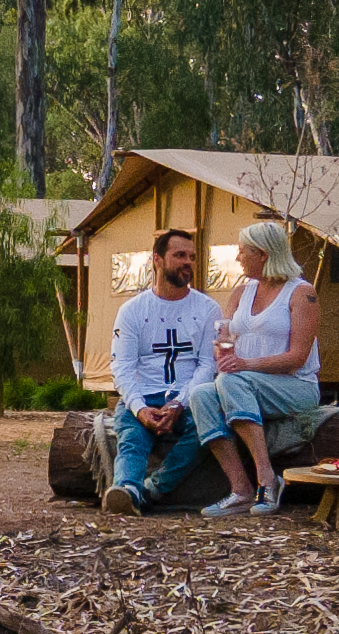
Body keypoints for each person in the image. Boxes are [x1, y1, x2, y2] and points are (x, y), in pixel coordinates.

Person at [189, 220, 320, 518]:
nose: (237, 258)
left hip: (295, 386)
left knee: (231, 381)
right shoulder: (241, 293)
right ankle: (240, 489)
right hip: (245, 385)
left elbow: (298, 357)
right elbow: (224, 335)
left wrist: (245, 364)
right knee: (201, 395)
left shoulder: (302, 293)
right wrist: (222, 350)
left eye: (242, 251)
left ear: (263, 254)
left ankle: (267, 479)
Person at [104, 228, 220, 516]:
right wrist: (140, 408)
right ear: (157, 259)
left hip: (189, 396)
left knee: (205, 428)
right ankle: (126, 488)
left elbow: (208, 364)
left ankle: (150, 490)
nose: (188, 262)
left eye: (192, 257)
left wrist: (180, 403)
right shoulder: (132, 311)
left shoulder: (208, 309)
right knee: (132, 434)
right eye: (179, 255)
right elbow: (121, 366)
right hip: (144, 394)